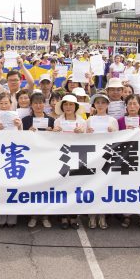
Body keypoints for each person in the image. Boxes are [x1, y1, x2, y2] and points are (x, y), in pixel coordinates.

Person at [0, 92, 22, 228]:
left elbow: (23, 140)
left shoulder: (17, 118)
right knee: (0, 187)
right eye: (1, 103)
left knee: (13, 186)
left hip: (14, 156)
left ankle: (12, 217)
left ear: (11, 104)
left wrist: (19, 126)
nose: (4, 106)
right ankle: (0, 216)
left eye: (6, 103)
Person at [52, 94, 86, 230]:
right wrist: (55, 132)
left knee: (75, 187)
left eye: (71, 104)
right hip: (62, 157)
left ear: (76, 106)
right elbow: (53, 141)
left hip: (78, 157)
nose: (68, 107)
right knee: (63, 187)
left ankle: (73, 217)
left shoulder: (82, 121)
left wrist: (82, 132)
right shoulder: (57, 121)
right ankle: (63, 217)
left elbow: (90, 140)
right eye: (66, 104)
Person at [86, 92, 118, 230]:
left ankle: (102, 215)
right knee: (91, 186)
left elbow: (119, 139)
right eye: (97, 102)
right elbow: (82, 139)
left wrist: (113, 132)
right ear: (94, 104)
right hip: (92, 157)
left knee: (104, 187)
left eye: (103, 102)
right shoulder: (89, 120)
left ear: (107, 104)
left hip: (107, 157)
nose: (100, 105)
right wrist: (87, 133)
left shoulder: (112, 120)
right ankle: (92, 216)